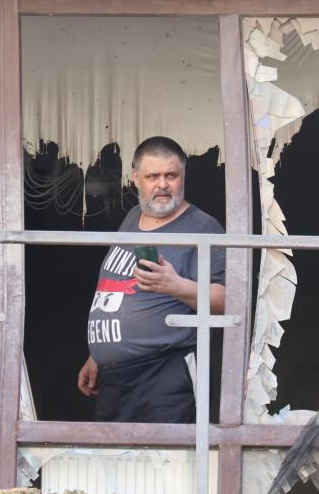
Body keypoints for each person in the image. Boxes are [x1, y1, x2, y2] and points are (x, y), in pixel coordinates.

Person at [77, 136, 226, 423]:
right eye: (152, 176)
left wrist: (175, 285)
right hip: (114, 378)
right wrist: (99, 353)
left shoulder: (202, 227)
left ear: (183, 176)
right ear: (135, 177)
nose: (162, 184)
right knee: (112, 452)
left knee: (164, 452)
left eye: (171, 175)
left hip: (165, 374)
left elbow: (228, 301)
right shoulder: (133, 218)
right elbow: (117, 287)